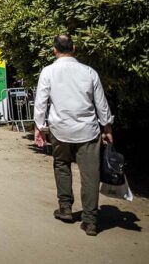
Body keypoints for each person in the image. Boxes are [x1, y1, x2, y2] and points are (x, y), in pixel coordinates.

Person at [33, 35, 113, 237]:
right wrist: (107, 128)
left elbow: (41, 101)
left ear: (54, 50)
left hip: (60, 129)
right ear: (74, 48)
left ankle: (65, 208)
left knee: (61, 165)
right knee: (90, 175)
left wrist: (39, 127)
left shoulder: (48, 72)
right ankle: (90, 221)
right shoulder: (89, 72)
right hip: (88, 131)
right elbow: (101, 103)